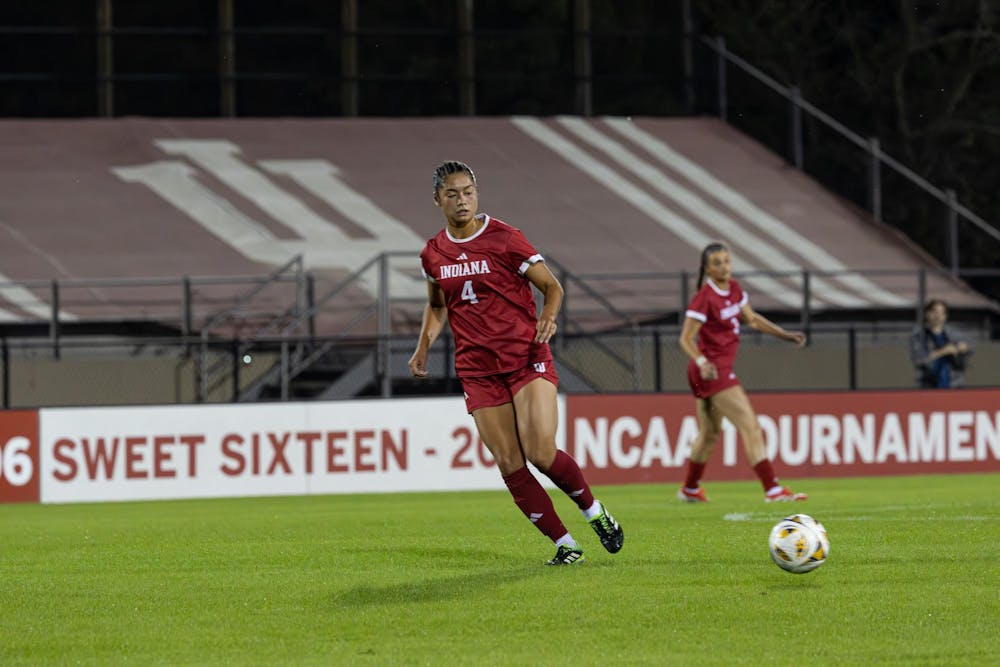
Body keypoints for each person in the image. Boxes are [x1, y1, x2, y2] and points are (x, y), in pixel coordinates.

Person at [408, 160, 624, 565]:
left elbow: (551, 285)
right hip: (477, 369)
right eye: (451, 194)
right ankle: (565, 545)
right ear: (437, 199)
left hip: (525, 358)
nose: (461, 200)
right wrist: (423, 346)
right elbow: (437, 306)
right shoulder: (432, 254)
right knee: (509, 462)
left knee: (541, 452)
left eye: (468, 191)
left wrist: (548, 315)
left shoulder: (506, 238)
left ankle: (595, 514)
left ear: (477, 192)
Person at [676, 241, 809, 503]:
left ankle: (690, 489)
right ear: (707, 268)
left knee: (710, 433)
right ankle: (772, 489)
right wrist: (702, 361)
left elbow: (753, 319)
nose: (724, 266)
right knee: (751, 426)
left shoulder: (734, 289)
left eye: (727, 261)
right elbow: (684, 339)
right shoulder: (705, 297)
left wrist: (785, 335)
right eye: (717, 263)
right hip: (712, 370)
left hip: (711, 370)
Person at [910, 298, 972, 388]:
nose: (937, 316)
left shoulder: (953, 335)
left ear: (945, 316)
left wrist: (963, 349)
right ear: (927, 314)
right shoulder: (919, 336)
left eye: (941, 313)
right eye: (934, 312)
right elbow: (919, 359)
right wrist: (943, 351)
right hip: (928, 386)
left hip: (953, 386)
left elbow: (965, 356)